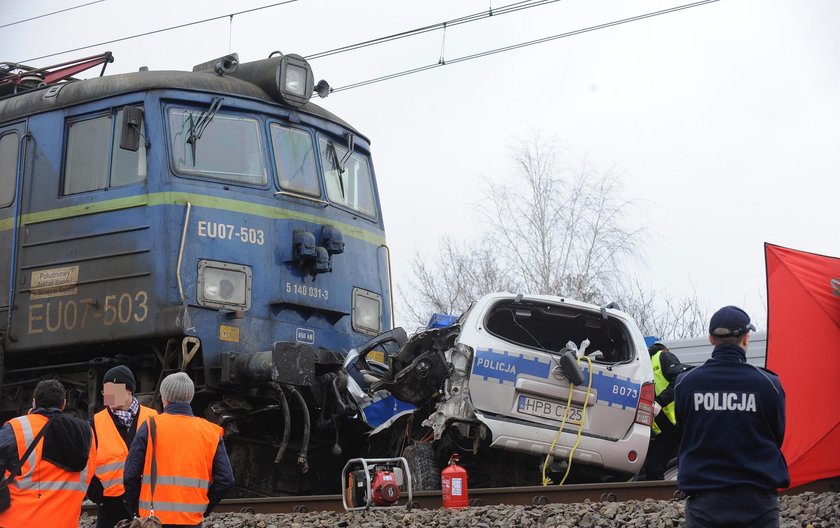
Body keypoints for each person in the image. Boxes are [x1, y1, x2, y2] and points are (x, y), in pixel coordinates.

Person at [675, 306, 789, 527]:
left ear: (711, 339)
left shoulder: (685, 383)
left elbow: (685, 429)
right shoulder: (769, 385)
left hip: (704, 505)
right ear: (746, 339)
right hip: (758, 505)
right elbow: (777, 435)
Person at [123, 372, 234, 527]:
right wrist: (203, 509)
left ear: (164, 397)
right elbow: (226, 480)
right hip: (191, 521)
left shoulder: (150, 427)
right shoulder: (211, 432)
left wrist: (138, 509)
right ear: (190, 398)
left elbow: (130, 476)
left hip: (153, 520)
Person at [0, 379, 96, 528]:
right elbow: (90, 475)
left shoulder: (18, 428)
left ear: (34, 403)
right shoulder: (87, 433)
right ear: (63, 404)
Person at [88, 365, 158, 528]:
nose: (108, 394)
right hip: (110, 505)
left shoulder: (153, 418)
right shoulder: (95, 423)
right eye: (105, 391)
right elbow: (86, 464)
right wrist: (98, 496)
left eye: (112, 389)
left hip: (146, 502)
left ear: (129, 390)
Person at [640, 342, 686, 480]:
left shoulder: (663, 356)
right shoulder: (643, 365)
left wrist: (660, 402)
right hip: (664, 428)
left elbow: (679, 380)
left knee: (657, 467)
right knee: (654, 468)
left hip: (676, 424)